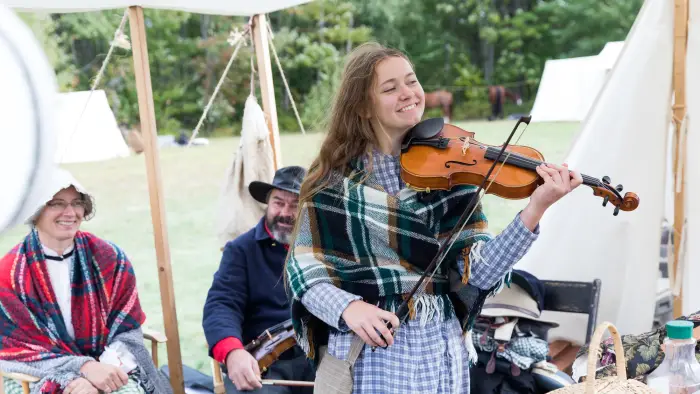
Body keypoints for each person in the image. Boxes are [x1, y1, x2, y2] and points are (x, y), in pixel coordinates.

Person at [284, 42, 583, 393]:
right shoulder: (333, 185)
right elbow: (303, 271)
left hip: (439, 347)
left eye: (411, 81)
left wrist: (537, 207)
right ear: (363, 107)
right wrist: (349, 308)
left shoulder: (451, 176)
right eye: (390, 88)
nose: (408, 93)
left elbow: (481, 273)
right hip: (373, 352)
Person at [0, 168, 172, 394]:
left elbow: (126, 332)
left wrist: (103, 372)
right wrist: (80, 371)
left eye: (77, 203)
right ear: (36, 209)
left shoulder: (110, 259)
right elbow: (16, 351)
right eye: (57, 203)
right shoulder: (9, 274)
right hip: (35, 375)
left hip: (109, 367)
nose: (70, 212)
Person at [203, 166, 315, 393]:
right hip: (263, 364)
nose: (285, 212)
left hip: (318, 359)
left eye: (295, 205)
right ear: (267, 203)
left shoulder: (322, 248)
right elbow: (222, 304)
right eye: (278, 202)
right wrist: (233, 352)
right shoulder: (241, 250)